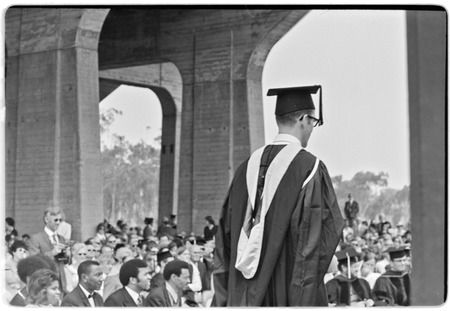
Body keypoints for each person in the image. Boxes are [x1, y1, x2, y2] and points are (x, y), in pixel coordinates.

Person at [212, 85, 344, 306]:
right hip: (288, 294)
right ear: (304, 118)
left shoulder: (245, 168)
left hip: (242, 294)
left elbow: (224, 240)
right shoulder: (309, 168)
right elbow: (314, 245)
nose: (312, 128)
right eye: (313, 122)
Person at [28, 206, 69, 293]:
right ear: (46, 220)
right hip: (45, 282)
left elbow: (65, 262)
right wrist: (52, 253)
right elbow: (34, 261)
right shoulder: (36, 238)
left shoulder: (61, 238)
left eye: (60, 220)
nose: (58, 223)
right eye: (55, 220)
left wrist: (68, 255)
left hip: (61, 283)